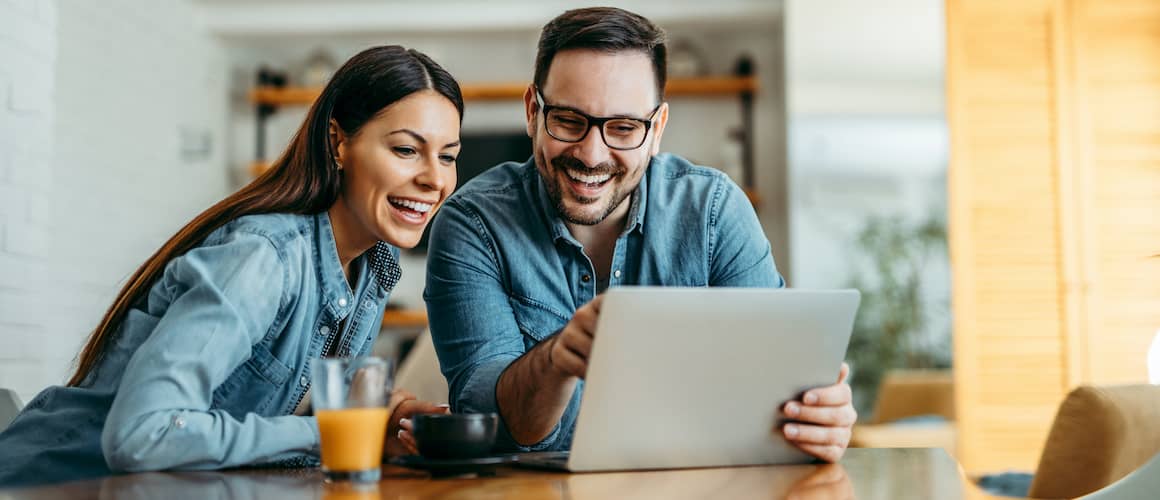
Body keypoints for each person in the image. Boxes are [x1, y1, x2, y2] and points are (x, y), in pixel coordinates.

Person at [0, 45, 459, 486]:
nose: (434, 179)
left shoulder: (373, 267)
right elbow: (142, 435)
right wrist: (339, 434)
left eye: (448, 156)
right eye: (405, 150)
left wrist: (385, 416)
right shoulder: (262, 257)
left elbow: (308, 409)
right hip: (47, 485)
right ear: (338, 142)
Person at [424, 7, 857, 462]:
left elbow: (773, 387)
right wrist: (555, 362)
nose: (592, 155)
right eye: (569, 121)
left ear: (657, 129)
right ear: (533, 111)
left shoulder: (714, 211)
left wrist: (818, 420)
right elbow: (488, 424)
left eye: (624, 128)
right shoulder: (471, 224)